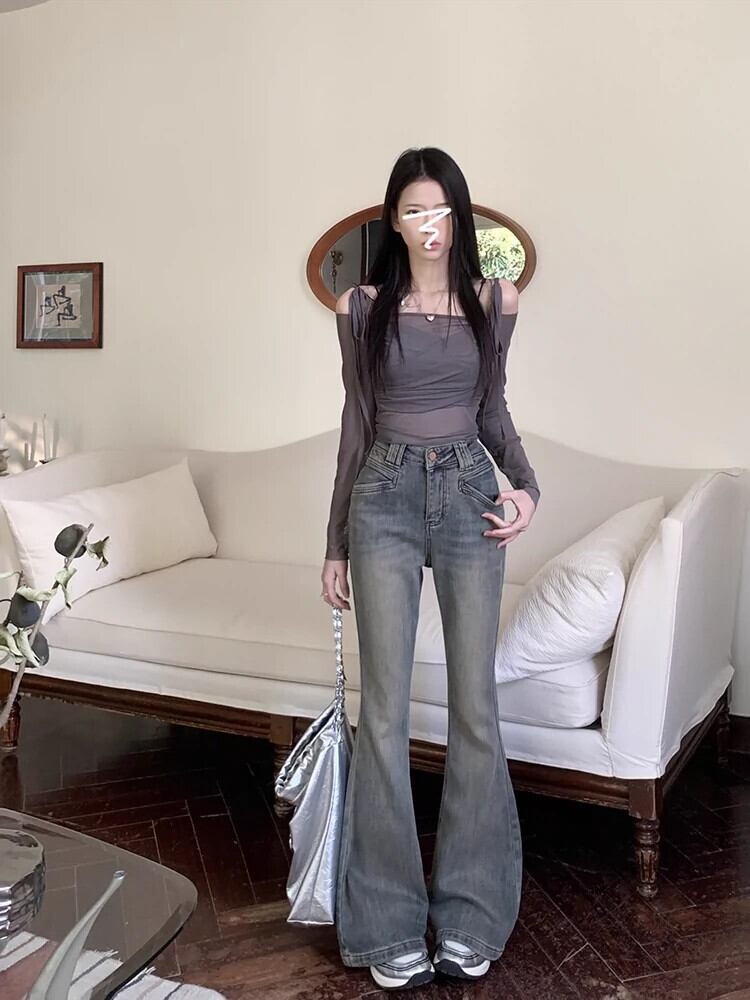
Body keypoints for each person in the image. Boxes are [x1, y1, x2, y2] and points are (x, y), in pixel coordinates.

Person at [319, 147, 540, 990]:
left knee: (474, 705)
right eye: (414, 210)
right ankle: (386, 923)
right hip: (381, 495)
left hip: (470, 492)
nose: (429, 225)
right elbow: (356, 422)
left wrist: (527, 489)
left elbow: (494, 408)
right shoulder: (362, 306)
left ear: (459, 216)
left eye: (441, 209)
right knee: (382, 711)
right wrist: (335, 542)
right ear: (395, 221)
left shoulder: (495, 300)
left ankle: (472, 915)